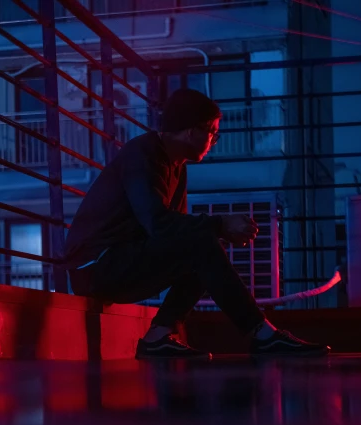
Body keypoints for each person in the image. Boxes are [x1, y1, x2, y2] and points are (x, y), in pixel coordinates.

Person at [63, 88, 330, 359]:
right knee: (202, 244)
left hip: (117, 261)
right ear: (192, 132)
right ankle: (261, 334)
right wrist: (219, 225)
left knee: (203, 245)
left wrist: (216, 233)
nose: (214, 140)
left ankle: (159, 336)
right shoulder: (143, 154)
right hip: (95, 266)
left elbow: (176, 232)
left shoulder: (175, 164)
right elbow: (159, 223)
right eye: (213, 132)